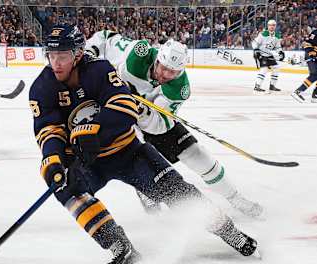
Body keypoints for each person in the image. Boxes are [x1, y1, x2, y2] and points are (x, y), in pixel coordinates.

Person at [31, 24, 259, 264]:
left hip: (128, 152)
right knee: (64, 187)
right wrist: (53, 160)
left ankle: (227, 230)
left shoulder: (100, 70)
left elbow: (125, 106)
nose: (56, 63)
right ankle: (121, 248)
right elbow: (48, 129)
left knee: (177, 192)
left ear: (78, 54)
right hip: (88, 161)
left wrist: (95, 130)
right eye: (51, 55)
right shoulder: (41, 88)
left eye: (63, 56)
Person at [86, 31, 263, 218]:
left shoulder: (180, 88)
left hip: (144, 117)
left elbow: (159, 125)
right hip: (113, 111)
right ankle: (144, 188)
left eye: (173, 72)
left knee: (197, 154)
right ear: (157, 59)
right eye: (163, 68)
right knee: (137, 150)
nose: (166, 74)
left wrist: (142, 111)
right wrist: (89, 52)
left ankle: (236, 198)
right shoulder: (138, 52)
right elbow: (105, 37)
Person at [252, 19, 284, 93]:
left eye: (273, 25)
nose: (271, 27)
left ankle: (272, 86)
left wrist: (280, 52)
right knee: (264, 69)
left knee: (276, 68)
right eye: (270, 25)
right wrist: (256, 50)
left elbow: (278, 46)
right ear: (268, 26)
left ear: (275, 26)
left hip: (269, 55)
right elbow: (254, 43)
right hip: (261, 54)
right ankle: (257, 87)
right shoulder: (263, 34)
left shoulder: (277, 35)